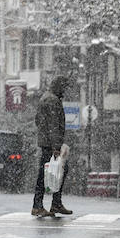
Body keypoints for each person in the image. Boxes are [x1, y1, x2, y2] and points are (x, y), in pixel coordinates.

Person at [31, 75, 73, 218]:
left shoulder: (46, 97)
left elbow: (38, 121)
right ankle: (44, 204)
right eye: (64, 88)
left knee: (48, 172)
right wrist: (56, 146)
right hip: (50, 144)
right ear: (59, 86)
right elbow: (54, 125)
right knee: (54, 172)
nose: (65, 91)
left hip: (46, 142)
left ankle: (50, 203)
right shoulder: (53, 101)